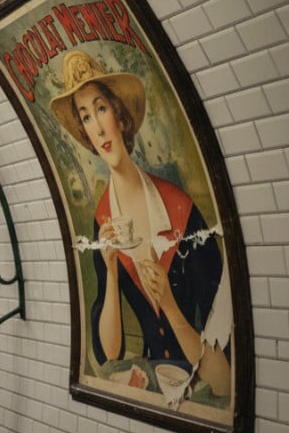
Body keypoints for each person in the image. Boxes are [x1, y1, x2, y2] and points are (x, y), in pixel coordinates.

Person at [50, 50, 231, 396]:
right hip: (149, 389)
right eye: (86, 117)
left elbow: (224, 380)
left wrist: (169, 305)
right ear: (86, 134)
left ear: (120, 115)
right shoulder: (103, 220)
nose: (99, 127)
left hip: (199, 391)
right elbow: (110, 353)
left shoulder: (181, 210)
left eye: (101, 108)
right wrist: (113, 272)